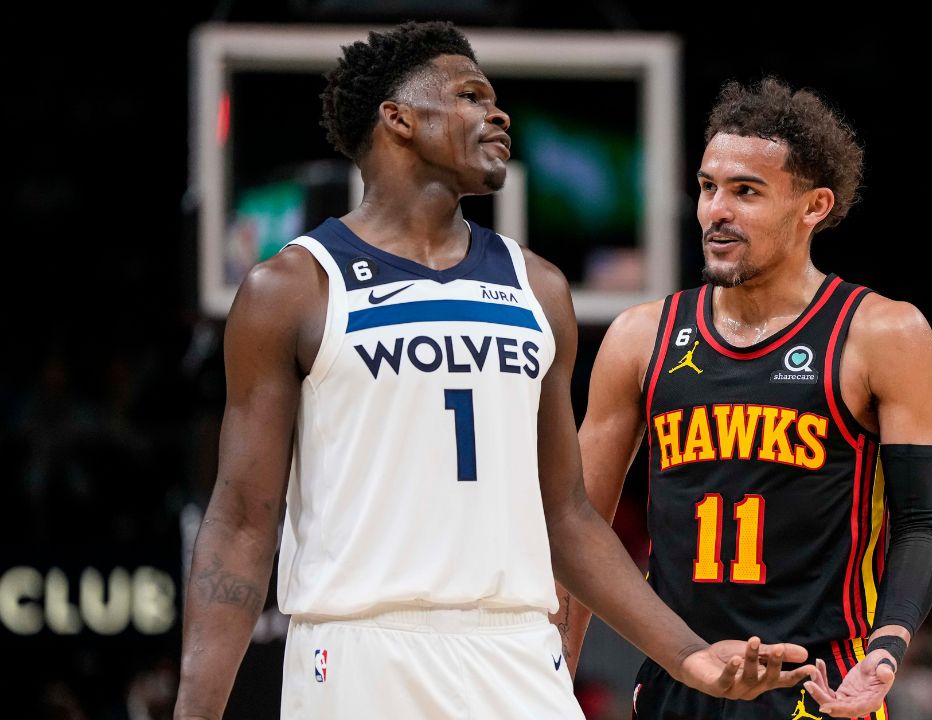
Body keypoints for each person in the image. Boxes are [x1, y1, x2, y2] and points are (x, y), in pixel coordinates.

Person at [173, 22, 815, 720]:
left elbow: (566, 514)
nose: (498, 113)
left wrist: (690, 654)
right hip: (357, 651)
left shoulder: (538, 287)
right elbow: (240, 521)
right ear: (399, 120)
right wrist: (196, 710)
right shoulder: (294, 288)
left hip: (514, 649)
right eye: (471, 96)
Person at [553, 76, 932, 718]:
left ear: (813, 206)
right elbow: (579, 524)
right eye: (709, 187)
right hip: (679, 678)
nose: (716, 210)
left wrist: (887, 648)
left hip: (820, 683)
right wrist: (555, 675)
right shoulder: (639, 337)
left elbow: (922, 524)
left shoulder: (881, 333)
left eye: (746, 191)